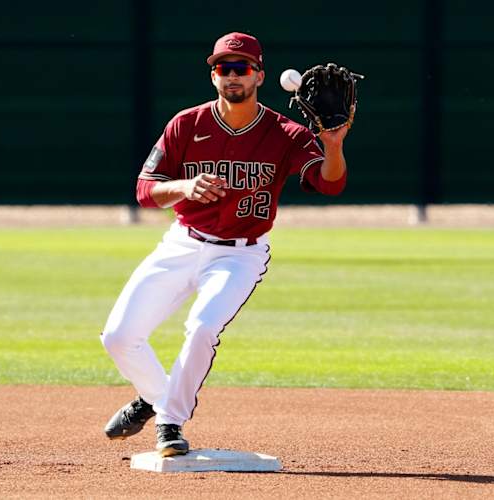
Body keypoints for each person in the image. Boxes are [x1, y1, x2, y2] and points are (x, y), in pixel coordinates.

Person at [100, 32, 348, 457]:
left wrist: (333, 145)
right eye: (223, 68)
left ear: (260, 76)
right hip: (181, 242)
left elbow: (330, 182)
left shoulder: (283, 133)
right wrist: (184, 186)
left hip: (239, 254)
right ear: (213, 75)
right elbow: (145, 189)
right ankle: (156, 396)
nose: (232, 76)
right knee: (118, 337)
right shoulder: (187, 123)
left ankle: (169, 422)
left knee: (202, 327)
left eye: (242, 68)